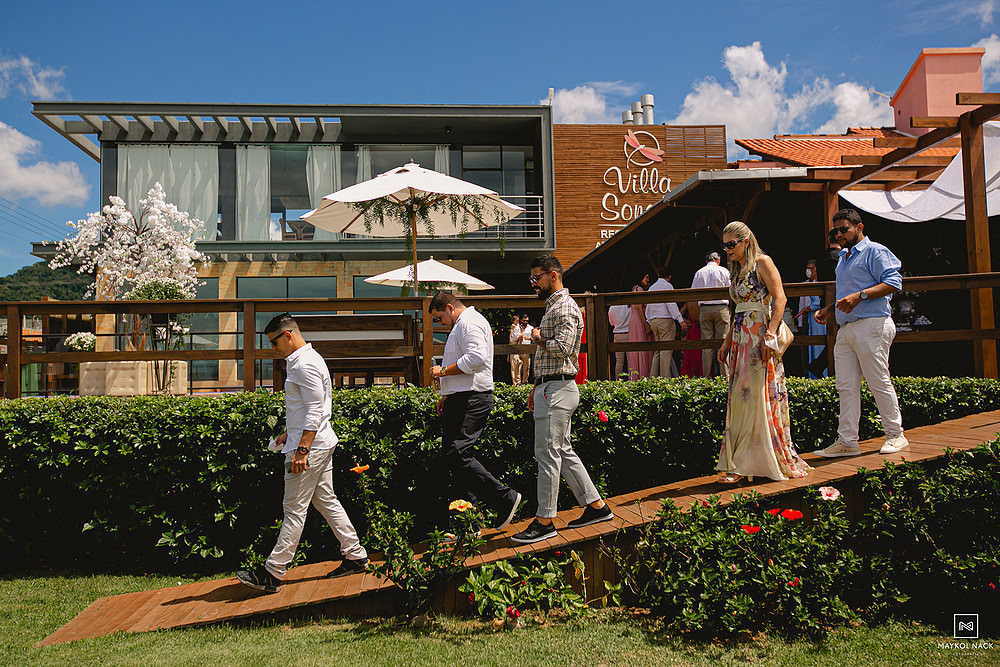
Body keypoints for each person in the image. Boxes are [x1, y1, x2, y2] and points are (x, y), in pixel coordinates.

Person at [237, 313, 368, 593]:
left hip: (311, 447)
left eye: (275, 342)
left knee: (294, 510)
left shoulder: (304, 364)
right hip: (316, 442)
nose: (273, 348)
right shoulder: (305, 360)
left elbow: (315, 410)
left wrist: (302, 449)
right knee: (327, 501)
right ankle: (355, 555)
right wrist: (290, 434)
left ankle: (272, 573)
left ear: (288, 335)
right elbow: (309, 408)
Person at [512, 254, 613, 544]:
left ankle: (545, 521)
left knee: (547, 453)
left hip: (558, 389)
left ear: (552, 275)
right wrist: (535, 386)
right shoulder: (556, 307)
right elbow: (551, 357)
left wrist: (537, 336)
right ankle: (597, 506)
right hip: (552, 387)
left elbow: (566, 348)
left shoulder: (565, 307)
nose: (533, 283)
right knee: (563, 450)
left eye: (536, 277)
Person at [715, 222, 811, 483]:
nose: (727, 250)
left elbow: (780, 298)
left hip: (758, 338)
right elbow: (737, 310)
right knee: (740, 399)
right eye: (724, 245)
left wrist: (770, 333)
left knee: (756, 397)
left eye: (731, 244)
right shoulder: (737, 271)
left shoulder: (762, 262)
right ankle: (740, 463)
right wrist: (726, 342)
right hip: (739, 337)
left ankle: (745, 465)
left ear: (746, 241)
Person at [813, 209, 908, 457]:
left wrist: (861, 296)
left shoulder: (874, 250)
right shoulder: (844, 257)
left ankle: (896, 435)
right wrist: (830, 308)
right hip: (846, 328)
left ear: (859, 227)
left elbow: (894, 282)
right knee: (845, 386)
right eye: (836, 231)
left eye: (844, 229)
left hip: (872, 323)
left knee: (878, 381)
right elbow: (849, 292)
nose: (839, 234)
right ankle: (847, 441)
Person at [429, 293, 522, 531]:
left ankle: (505, 498)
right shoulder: (463, 323)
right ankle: (469, 523)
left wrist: (443, 372)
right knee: (453, 457)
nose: (439, 324)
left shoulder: (469, 322)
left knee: (457, 453)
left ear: (449, 308)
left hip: (473, 397)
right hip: (461, 396)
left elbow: (477, 358)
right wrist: (446, 394)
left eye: (439, 318)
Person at [807, 230, 842, 378]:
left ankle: (820, 365)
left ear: (828, 240)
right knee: (839, 335)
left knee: (835, 336)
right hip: (840, 300)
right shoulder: (843, 257)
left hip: (825, 302)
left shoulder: (821, 260)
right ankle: (825, 367)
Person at [690, 252, 731, 377]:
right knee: (723, 341)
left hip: (705, 309)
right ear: (718, 260)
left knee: (706, 344)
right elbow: (731, 289)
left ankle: (706, 377)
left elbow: (693, 292)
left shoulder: (699, 272)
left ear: (706, 260)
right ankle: (725, 376)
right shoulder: (724, 271)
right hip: (721, 309)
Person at [646, 267, 688, 378]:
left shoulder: (651, 288)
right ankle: (665, 380)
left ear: (659, 275)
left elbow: (647, 308)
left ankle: (653, 378)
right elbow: (671, 305)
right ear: (669, 277)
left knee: (657, 351)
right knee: (666, 351)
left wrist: (650, 321)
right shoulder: (667, 286)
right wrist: (681, 320)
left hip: (654, 320)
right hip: (665, 320)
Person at [794, 259, 826, 377]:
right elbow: (801, 305)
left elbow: (818, 303)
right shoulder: (805, 284)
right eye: (808, 268)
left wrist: (809, 308)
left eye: (812, 268)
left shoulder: (822, 282)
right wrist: (800, 322)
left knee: (821, 345)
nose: (809, 271)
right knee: (812, 347)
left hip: (820, 318)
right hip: (810, 320)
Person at [627, 273, 654, 379]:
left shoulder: (634, 289)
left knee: (636, 350)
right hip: (639, 321)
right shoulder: (639, 290)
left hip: (633, 321)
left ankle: (636, 375)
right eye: (646, 277)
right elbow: (639, 307)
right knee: (643, 348)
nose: (648, 280)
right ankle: (644, 375)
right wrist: (646, 324)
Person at [608, 302, 631, 379]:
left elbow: (611, 323)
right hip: (628, 333)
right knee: (630, 360)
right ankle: (632, 380)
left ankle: (618, 381)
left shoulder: (612, 307)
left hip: (617, 334)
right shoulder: (629, 306)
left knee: (619, 361)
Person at [508, 314, 524, 385]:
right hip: (513, 346)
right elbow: (511, 338)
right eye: (516, 321)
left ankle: (518, 381)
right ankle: (515, 382)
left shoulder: (517, 327)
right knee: (513, 365)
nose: (517, 322)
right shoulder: (513, 327)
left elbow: (520, 336)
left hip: (517, 346)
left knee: (519, 363)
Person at [518, 315, 533, 385]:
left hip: (527, 349)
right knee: (517, 367)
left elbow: (534, 338)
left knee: (526, 367)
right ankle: (517, 383)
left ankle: (524, 382)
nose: (526, 322)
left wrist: (529, 338)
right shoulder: (517, 328)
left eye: (527, 321)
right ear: (521, 320)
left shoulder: (530, 328)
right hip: (518, 348)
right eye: (524, 321)